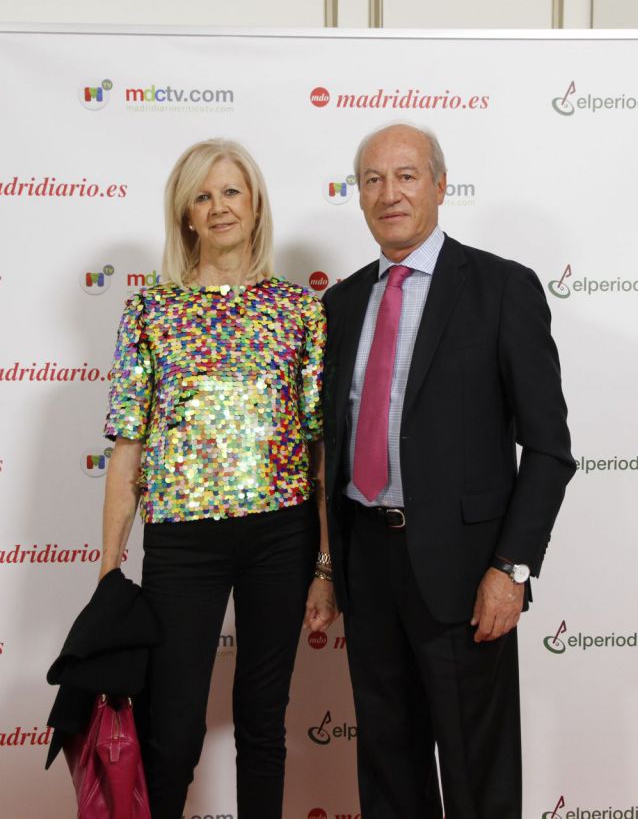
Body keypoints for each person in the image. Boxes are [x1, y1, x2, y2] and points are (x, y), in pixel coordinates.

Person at [321, 122, 575, 819]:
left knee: (477, 776)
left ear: (439, 185)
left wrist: (512, 568)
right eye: (372, 179)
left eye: (405, 175)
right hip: (367, 566)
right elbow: (331, 445)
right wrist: (324, 566)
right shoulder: (341, 305)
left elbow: (550, 449)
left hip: (467, 574)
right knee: (388, 769)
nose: (389, 193)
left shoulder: (500, 288)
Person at [99, 138, 339, 819]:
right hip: (182, 541)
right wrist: (107, 566)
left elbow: (320, 449)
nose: (219, 206)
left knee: (263, 722)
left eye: (231, 190)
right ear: (186, 216)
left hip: (281, 536)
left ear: (255, 202)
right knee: (170, 731)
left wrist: (324, 563)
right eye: (203, 196)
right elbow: (128, 447)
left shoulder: (300, 311)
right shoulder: (151, 311)